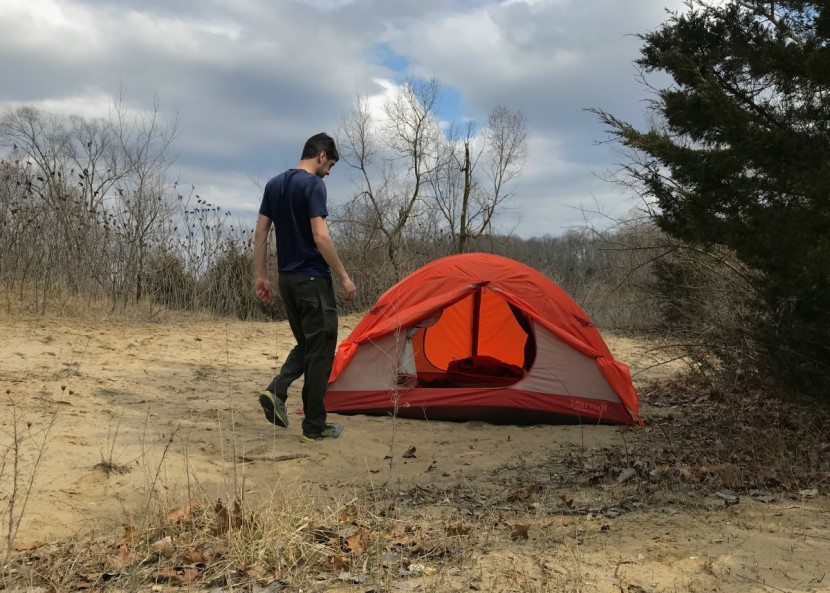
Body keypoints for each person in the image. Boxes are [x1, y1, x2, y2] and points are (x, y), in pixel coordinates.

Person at [253, 132, 357, 442]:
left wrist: (261, 275)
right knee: (322, 350)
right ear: (322, 155)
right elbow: (321, 236)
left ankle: (278, 391)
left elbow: (260, 234)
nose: (330, 172)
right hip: (313, 280)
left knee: (308, 345)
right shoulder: (313, 185)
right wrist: (343, 277)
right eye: (332, 165)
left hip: (287, 280)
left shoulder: (274, 185)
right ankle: (314, 426)